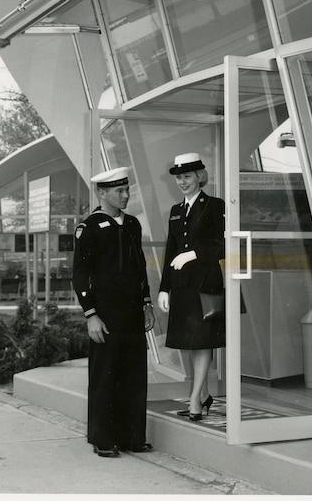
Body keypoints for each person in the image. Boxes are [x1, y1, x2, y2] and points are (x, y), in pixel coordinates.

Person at [72, 167, 154, 457]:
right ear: (102, 193)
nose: (125, 195)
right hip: (105, 314)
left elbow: (140, 267)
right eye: (119, 191)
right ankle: (103, 438)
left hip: (132, 312)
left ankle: (133, 436)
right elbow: (80, 275)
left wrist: (146, 303)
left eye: (127, 189)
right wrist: (90, 314)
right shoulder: (90, 227)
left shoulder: (132, 224)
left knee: (134, 374)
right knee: (105, 375)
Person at [157, 153, 226, 422]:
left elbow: (222, 244)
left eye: (187, 176)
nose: (182, 182)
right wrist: (165, 288)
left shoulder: (215, 206)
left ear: (199, 176)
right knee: (192, 342)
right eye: (178, 178)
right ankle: (204, 395)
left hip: (205, 285)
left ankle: (195, 399)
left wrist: (194, 254)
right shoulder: (176, 211)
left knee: (202, 341)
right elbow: (170, 252)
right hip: (182, 286)